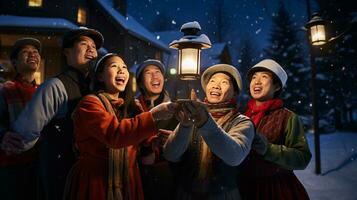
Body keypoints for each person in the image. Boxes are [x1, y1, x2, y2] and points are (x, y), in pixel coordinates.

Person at [1, 27, 104, 200]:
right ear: (67, 52)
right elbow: (22, 136)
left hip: (90, 178)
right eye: (84, 44)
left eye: (94, 46)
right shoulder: (52, 86)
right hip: (55, 174)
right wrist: (5, 137)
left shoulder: (97, 89)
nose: (91, 49)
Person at [63, 53, 177, 200]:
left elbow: (143, 145)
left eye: (124, 67)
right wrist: (153, 115)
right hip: (96, 180)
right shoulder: (89, 104)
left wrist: (157, 140)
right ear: (100, 76)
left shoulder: (131, 107)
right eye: (114, 66)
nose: (121, 70)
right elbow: (115, 135)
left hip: (127, 180)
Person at [163, 64, 255, 199]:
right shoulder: (193, 116)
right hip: (186, 194)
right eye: (212, 81)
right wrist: (185, 126)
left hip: (223, 195)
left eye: (224, 82)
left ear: (235, 92)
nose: (216, 85)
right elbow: (171, 154)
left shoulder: (242, 122)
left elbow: (234, 156)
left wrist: (204, 121)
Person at [237, 59, 311, 200]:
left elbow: (302, 158)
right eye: (254, 77)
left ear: (277, 86)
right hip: (244, 188)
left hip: (276, 189)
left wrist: (269, 150)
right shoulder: (241, 116)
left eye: (264, 77)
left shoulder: (288, 117)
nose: (257, 81)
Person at [0, 37, 42, 200]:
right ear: (15, 62)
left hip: (38, 165)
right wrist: (2, 135)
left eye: (36, 52)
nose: (32, 55)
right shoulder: (5, 89)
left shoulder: (43, 92)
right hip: (12, 166)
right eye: (26, 52)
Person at [135, 59, 178, 200]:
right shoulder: (132, 109)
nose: (154, 77)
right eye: (148, 73)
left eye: (158, 72)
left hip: (167, 177)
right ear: (140, 82)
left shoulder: (175, 110)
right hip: (137, 176)